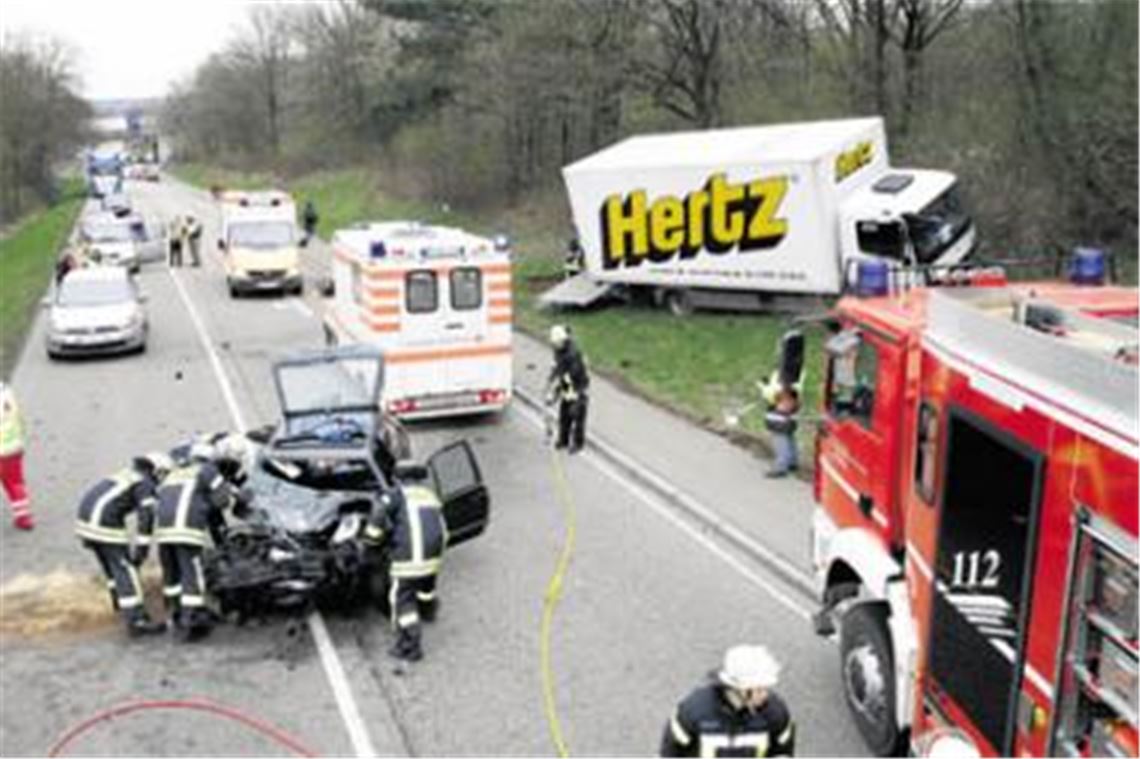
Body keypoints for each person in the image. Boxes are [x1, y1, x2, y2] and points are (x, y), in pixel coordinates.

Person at [153, 435, 251, 640]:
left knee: (173, 575)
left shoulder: (176, 473)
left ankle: (175, 614)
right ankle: (192, 622)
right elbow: (222, 499)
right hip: (186, 530)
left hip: (163, 532)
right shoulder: (207, 470)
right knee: (192, 575)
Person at [75, 453, 172, 636]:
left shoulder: (128, 474)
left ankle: (119, 603)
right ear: (157, 471)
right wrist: (142, 550)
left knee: (111, 566)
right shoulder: (145, 483)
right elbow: (147, 516)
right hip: (103, 523)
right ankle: (137, 621)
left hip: (85, 521)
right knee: (126, 569)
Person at [661, 645, 796, 757]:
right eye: (759, 690)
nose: (765, 695)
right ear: (739, 689)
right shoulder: (694, 712)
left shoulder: (776, 714)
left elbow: (782, 752)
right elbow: (671, 752)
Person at [364, 484, 446, 662]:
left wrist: (370, 543)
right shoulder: (429, 495)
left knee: (402, 602)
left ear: (397, 477)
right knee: (426, 589)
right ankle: (428, 610)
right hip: (432, 558)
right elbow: (441, 525)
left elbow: (377, 520)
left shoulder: (396, 495)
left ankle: (410, 645)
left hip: (408, 562)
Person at [546, 325, 590, 453]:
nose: (554, 346)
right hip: (567, 383)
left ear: (562, 341)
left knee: (576, 414)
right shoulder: (559, 351)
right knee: (564, 414)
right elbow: (558, 366)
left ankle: (578, 443)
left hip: (578, 386)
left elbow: (569, 376)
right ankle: (563, 440)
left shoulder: (573, 354)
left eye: (555, 344)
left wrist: (555, 394)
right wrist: (552, 376)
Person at [0, 381, 33, 531]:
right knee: (15, 483)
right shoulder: (7, 392)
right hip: (12, 447)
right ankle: (23, 517)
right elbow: (18, 416)